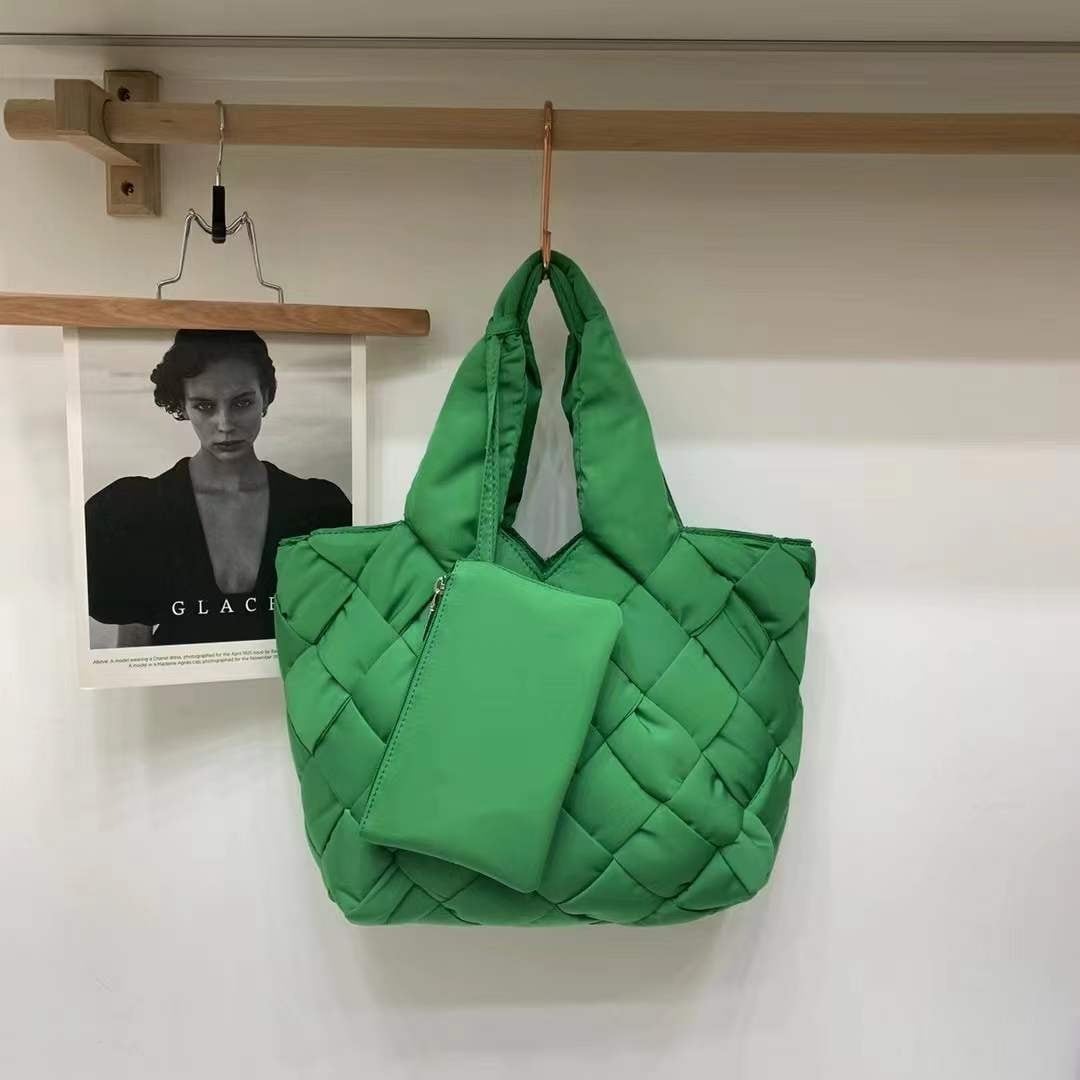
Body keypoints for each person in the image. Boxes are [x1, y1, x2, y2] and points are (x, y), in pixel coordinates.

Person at [84, 329, 351, 646]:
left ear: (266, 397)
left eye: (242, 402)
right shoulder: (134, 510)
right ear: (182, 405)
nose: (225, 424)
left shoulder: (317, 508)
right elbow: (133, 650)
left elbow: (337, 637)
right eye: (204, 406)